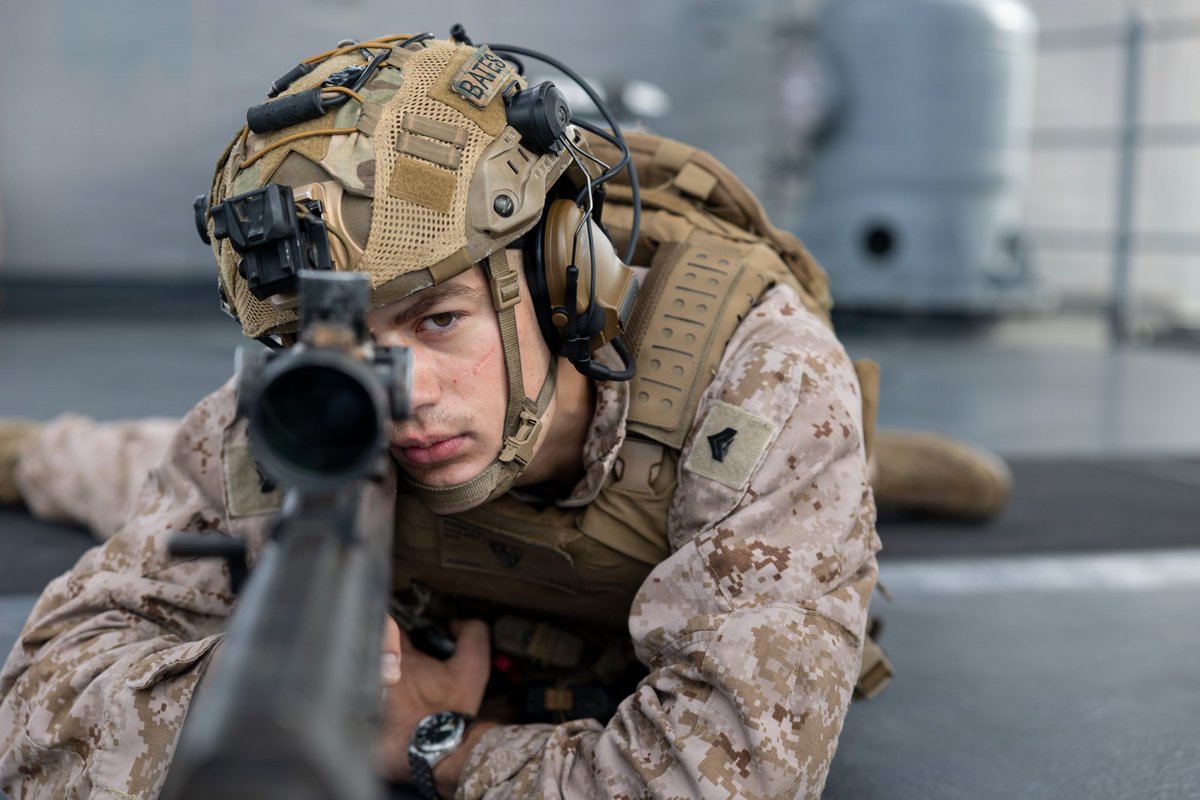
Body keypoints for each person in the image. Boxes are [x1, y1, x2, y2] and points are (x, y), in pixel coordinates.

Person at [2, 29, 904, 799]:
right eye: (349, 342)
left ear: (562, 283)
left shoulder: (762, 390)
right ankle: (31, 450)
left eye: (439, 319)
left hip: (693, 466)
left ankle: (880, 470)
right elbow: (33, 713)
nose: (407, 397)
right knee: (125, 466)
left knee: (774, 487)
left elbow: (716, 780)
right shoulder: (314, 393)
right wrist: (240, 683)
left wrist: (436, 745)